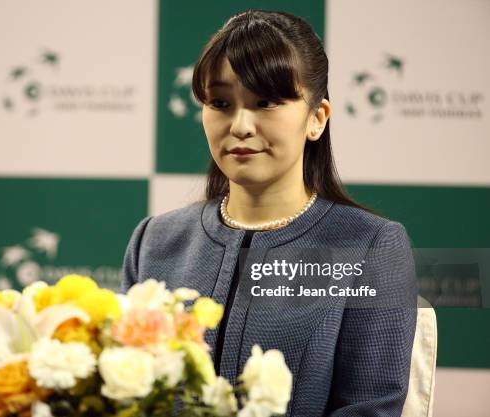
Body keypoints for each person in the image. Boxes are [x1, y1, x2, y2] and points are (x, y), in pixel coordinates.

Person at [121, 10, 417, 417]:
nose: (240, 125)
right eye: (221, 103)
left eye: (267, 102)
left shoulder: (370, 246)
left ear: (317, 119)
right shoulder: (153, 241)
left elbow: (371, 408)